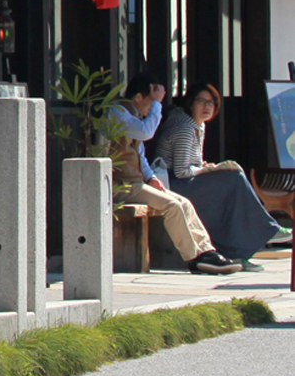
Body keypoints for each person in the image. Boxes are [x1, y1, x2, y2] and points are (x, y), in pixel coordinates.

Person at [110, 76, 239, 275]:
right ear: (138, 97)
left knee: (185, 203)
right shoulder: (117, 113)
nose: (152, 109)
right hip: (121, 185)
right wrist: (157, 105)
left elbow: (140, 155)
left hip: (136, 182)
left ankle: (207, 251)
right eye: (151, 102)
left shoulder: (135, 117)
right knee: (173, 206)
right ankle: (193, 257)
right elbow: (146, 133)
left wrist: (151, 177)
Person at [158, 84, 285, 265]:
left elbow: (193, 164)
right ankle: (268, 230)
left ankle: (238, 252)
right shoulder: (184, 128)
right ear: (190, 103)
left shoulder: (197, 125)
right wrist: (209, 170)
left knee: (232, 186)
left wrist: (206, 168)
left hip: (184, 181)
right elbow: (181, 171)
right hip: (172, 184)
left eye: (211, 103)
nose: (207, 107)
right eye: (201, 101)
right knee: (234, 179)